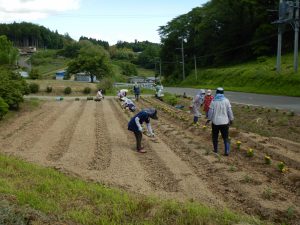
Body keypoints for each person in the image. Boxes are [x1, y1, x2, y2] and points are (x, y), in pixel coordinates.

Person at [206, 87, 234, 156]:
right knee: (226, 137)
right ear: (223, 93)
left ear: (216, 92)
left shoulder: (213, 101)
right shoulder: (226, 101)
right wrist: (231, 119)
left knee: (215, 136)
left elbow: (210, 112)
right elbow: (229, 111)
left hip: (215, 122)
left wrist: (209, 119)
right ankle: (226, 151)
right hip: (225, 122)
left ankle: (215, 150)